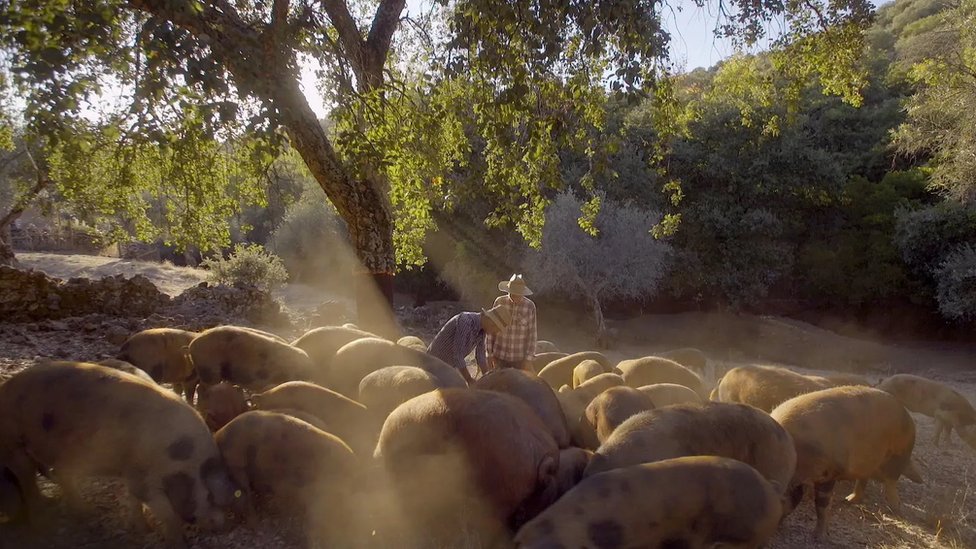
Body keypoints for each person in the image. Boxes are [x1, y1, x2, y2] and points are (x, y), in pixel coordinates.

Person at [427, 303, 512, 383]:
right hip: (433, 363)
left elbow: (480, 356)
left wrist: (487, 378)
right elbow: (458, 356)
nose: (495, 333)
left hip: (447, 366)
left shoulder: (482, 331)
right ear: (492, 323)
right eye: (496, 330)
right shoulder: (465, 322)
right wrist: (469, 380)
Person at [486, 273, 537, 371]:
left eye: (518, 295)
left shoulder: (530, 306)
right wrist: (489, 354)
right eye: (513, 294)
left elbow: (532, 335)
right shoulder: (499, 302)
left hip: (519, 359)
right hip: (499, 356)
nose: (515, 297)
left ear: (522, 293)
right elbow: (491, 330)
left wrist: (528, 359)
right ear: (508, 291)